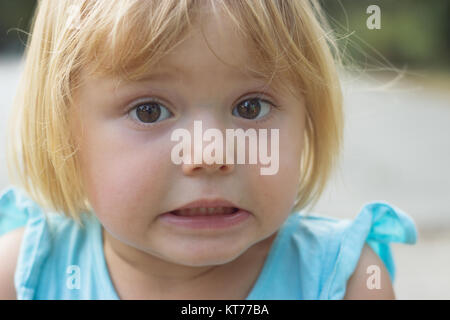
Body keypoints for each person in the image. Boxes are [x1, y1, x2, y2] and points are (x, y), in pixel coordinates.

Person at [0, 0, 416, 299]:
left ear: (307, 121)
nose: (208, 154)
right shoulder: (24, 276)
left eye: (250, 107)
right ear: (65, 133)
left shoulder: (345, 282)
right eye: (149, 111)